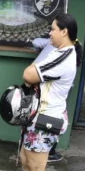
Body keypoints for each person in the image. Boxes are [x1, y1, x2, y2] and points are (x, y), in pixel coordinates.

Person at [1, 13, 81, 171]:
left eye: (53, 29)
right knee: (26, 159)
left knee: (36, 167)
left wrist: (30, 71)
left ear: (64, 31)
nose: (50, 32)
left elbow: (28, 75)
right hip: (37, 115)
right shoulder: (59, 50)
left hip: (47, 118)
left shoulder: (65, 55)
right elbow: (32, 74)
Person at [31, 34, 64, 163]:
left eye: (54, 29)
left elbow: (35, 41)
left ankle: (38, 148)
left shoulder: (57, 46)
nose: (51, 32)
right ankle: (48, 152)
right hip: (47, 85)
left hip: (41, 82)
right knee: (52, 116)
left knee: (37, 112)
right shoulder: (68, 49)